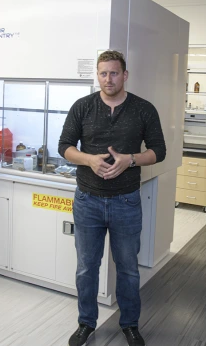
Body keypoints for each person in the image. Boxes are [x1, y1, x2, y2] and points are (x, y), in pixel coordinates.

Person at [58, 50, 166, 346]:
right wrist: (88, 160)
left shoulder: (144, 109)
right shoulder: (82, 107)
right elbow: (64, 146)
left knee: (128, 268)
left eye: (114, 73)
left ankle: (130, 324)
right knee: (86, 267)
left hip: (126, 201)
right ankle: (86, 323)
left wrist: (130, 160)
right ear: (98, 74)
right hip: (87, 201)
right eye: (103, 73)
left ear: (125, 75)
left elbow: (159, 151)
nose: (108, 79)